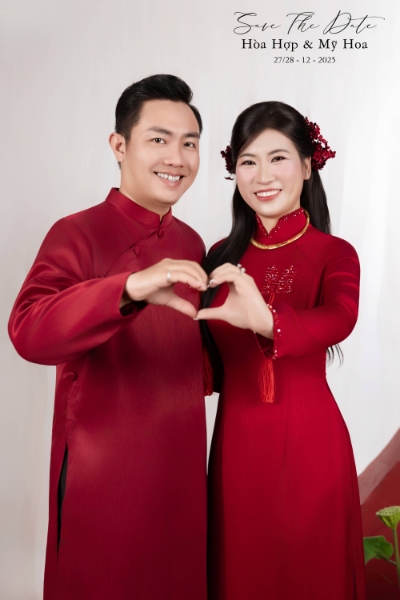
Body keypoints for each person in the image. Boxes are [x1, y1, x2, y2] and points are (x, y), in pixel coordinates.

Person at [8, 74, 209, 600]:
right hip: (104, 480)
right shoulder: (77, 232)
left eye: (189, 144)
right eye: (159, 139)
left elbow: (198, 367)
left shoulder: (193, 244)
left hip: (183, 479)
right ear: (119, 145)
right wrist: (129, 288)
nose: (177, 158)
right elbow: (28, 330)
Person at [197, 101, 366, 599]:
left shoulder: (335, 254)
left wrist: (268, 322)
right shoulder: (218, 256)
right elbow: (202, 362)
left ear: (308, 166)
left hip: (312, 444)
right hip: (236, 449)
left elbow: (341, 318)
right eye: (248, 161)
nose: (263, 175)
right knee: (240, 574)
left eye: (278, 158)